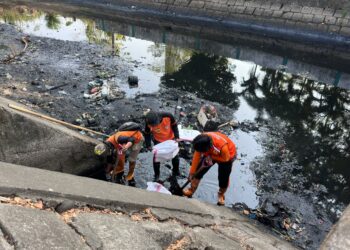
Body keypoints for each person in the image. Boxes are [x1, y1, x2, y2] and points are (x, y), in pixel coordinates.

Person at [183, 132, 237, 206]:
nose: (200, 152)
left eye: (202, 152)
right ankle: (191, 190)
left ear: (208, 148)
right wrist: (192, 173)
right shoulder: (201, 141)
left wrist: (212, 157)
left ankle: (221, 195)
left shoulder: (222, 147)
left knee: (223, 178)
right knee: (197, 174)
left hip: (227, 156)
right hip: (210, 154)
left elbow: (226, 159)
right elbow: (196, 157)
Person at [145, 111, 180, 181]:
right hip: (158, 141)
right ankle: (157, 175)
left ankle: (176, 171)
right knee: (156, 159)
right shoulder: (148, 121)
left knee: (175, 156)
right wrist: (148, 145)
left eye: (154, 125)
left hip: (170, 139)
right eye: (151, 126)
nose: (152, 127)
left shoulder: (168, 115)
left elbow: (174, 126)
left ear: (158, 120)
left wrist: (177, 137)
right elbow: (147, 134)